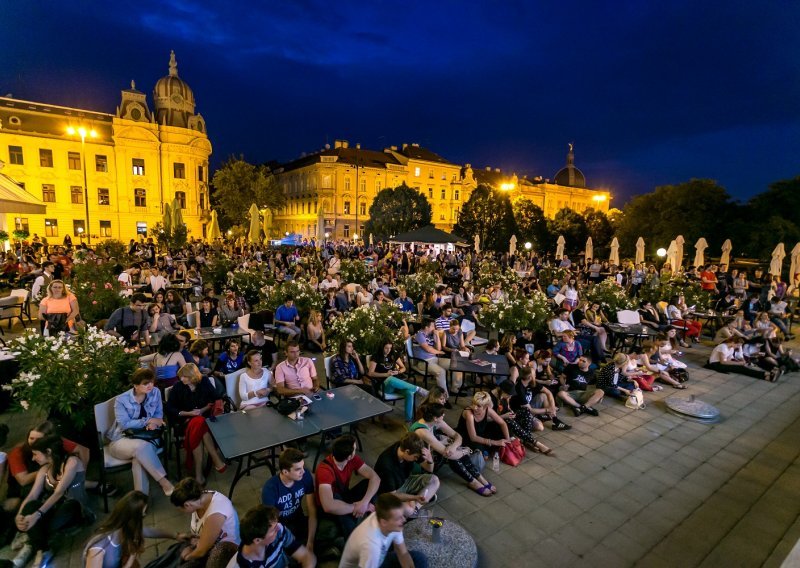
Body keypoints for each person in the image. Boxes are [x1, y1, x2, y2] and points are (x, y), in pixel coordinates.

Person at [14, 435, 91, 568]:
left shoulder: (72, 462)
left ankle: (31, 542)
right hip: (53, 507)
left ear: (48, 452)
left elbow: (59, 493)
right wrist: (19, 515)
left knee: (59, 514)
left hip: (75, 507)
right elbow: (33, 495)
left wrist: (36, 516)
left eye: (35, 454)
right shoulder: (44, 470)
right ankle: (42, 550)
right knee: (30, 506)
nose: (33, 458)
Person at [107, 369, 175, 496]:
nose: (150, 385)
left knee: (139, 459)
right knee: (141, 448)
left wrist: (155, 422)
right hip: (121, 440)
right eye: (145, 383)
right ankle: (164, 482)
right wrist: (148, 420)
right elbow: (124, 424)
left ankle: (141, 501)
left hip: (148, 437)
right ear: (135, 385)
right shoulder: (121, 400)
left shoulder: (155, 392)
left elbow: (158, 414)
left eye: (151, 382)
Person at [84, 490, 189, 568]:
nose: (143, 517)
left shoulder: (123, 528)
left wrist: (176, 535)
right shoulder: (98, 548)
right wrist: (132, 557)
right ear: (131, 518)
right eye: (142, 516)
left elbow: (147, 531)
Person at [409, 404, 494, 496]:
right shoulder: (422, 431)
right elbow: (449, 454)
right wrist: (466, 450)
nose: (444, 415)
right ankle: (473, 481)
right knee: (451, 454)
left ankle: (480, 478)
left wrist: (453, 446)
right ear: (435, 418)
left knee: (453, 448)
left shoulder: (435, 422)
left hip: (431, 455)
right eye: (442, 414)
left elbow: (457, 436)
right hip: (421, 466)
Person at [165, 364, 227, 484]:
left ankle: (198, 475)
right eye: (181, 377)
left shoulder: (203, 381)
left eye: (184, 377)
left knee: (200, 425)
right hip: (185, 421)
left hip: (204, 419)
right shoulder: (178, 386)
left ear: (193, 376)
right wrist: (188, 413)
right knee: (199, 423)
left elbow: (215, 397)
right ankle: (215, 459)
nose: (181, 379)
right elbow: (169, 408)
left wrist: (203, 410)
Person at [315, 434, 381, 539]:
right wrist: (356, 507)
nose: (356, 450)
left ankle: (376, 525)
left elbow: (375, 478)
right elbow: (328, 506)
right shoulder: (324, 471)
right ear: (349, 456)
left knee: (366, 484)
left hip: (344, 496)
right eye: (354, 449)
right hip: (328, 507)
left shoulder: (352, 459)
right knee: (336, 497)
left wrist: (364, 503)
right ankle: (354, 541)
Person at [339, 493, 428, 568]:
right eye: (399, 518)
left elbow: (403, 554)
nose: (404, 520)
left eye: (402, 515)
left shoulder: (392, 521)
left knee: (419, 558)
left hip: (378, 559)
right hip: (366, 563)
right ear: (384, 522)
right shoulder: (371, 546)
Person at [170, 478, 240, 568]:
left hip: (224, 554)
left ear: (187, 505)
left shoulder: (215, 515)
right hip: (209, 546)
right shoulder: (200, 497)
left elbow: (201, 551)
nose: (182, 512)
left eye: (181, 509)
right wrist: (196, 539)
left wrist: (187, 556)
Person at [260, 448, 317, 555]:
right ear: (285, 472)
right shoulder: (270, 489)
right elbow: (272, 524)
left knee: (328, 529)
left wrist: (311, 542)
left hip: (299, 520)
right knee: (286, 550)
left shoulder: (306, 476)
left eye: (303, 466)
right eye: (298, 469)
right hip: (281, 526)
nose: (303, 471)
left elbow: (312, 510)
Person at [373, 433, 439, 518]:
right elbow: (393, 494)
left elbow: (430, 469)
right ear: (407, 451)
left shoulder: (408, 449)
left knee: (434, 480)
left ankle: (415, 509)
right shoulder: (387, 466)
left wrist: (430, 459)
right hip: (389, 493)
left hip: (404, 481)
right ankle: (413, 509)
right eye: (415, 457)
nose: (416, 459)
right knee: (409, 510)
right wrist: (414, 498)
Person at [228, 504, 315, 568]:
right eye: (273, 529)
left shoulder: (279, 530)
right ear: (257, 540)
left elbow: (306, 556)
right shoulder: (241, 565)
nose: (278, 528)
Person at [367, 340, 427, 423]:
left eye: (390, 348)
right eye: (386, 348)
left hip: (397, 384)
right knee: (391, 379)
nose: (388, 350)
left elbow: (403, 368)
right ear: (382, 348)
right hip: (384, 386)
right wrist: (385, 375)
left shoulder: (393, 355)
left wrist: (398, 372)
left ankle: (408, 421)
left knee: (409, 393)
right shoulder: (376, 356)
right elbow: (370, 373)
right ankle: (419, 389)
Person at [488, 381, 552, 454]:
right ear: (503, 392)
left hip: (506, 417)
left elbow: (507, 407)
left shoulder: (505, 396)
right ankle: (535, 442)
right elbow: (487, 419)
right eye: (509, 395)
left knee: (526, 410)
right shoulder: (490, 399)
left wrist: (511, 411)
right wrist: (504, 416)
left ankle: (527, 439)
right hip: (496, 424)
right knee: (509, 420)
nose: (510, 397)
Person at [456, 392, 512, 465]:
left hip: (480, 433)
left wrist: (508, 440)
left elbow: (502, 423)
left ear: (485, 407)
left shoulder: (488, 410)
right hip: (467, 437)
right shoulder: (469, 413)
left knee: (504, 429)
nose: (474, 407)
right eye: (473, 403)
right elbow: (473, 437)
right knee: (481, 455)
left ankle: (490, 448)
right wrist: (495, 442)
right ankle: (487, 449)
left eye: (478, 406)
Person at [411, 319, 453, 397]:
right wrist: (440, 353)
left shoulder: (430, 335)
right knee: (441, 372)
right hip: (424, 362)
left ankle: (455, 389)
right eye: (433, 326)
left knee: (453, 364)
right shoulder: (420, 334)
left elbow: (439, 348)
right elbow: (428, 349)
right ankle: (444, 397)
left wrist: (436, 335)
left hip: (434, 359)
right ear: (427, 327)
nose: (434, 328)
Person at [707, 336, 777, 381]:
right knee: (741, 369)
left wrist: (741, 361)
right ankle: (766, 375)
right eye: (737, 345)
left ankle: (767, 375)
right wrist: (737, 363)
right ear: (732, 342)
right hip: (715, 364)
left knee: (742, 368)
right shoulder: (722, 347)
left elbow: (729, 359)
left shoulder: (731, 348)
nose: (737, 347)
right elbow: (723, 362)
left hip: (721, 363)